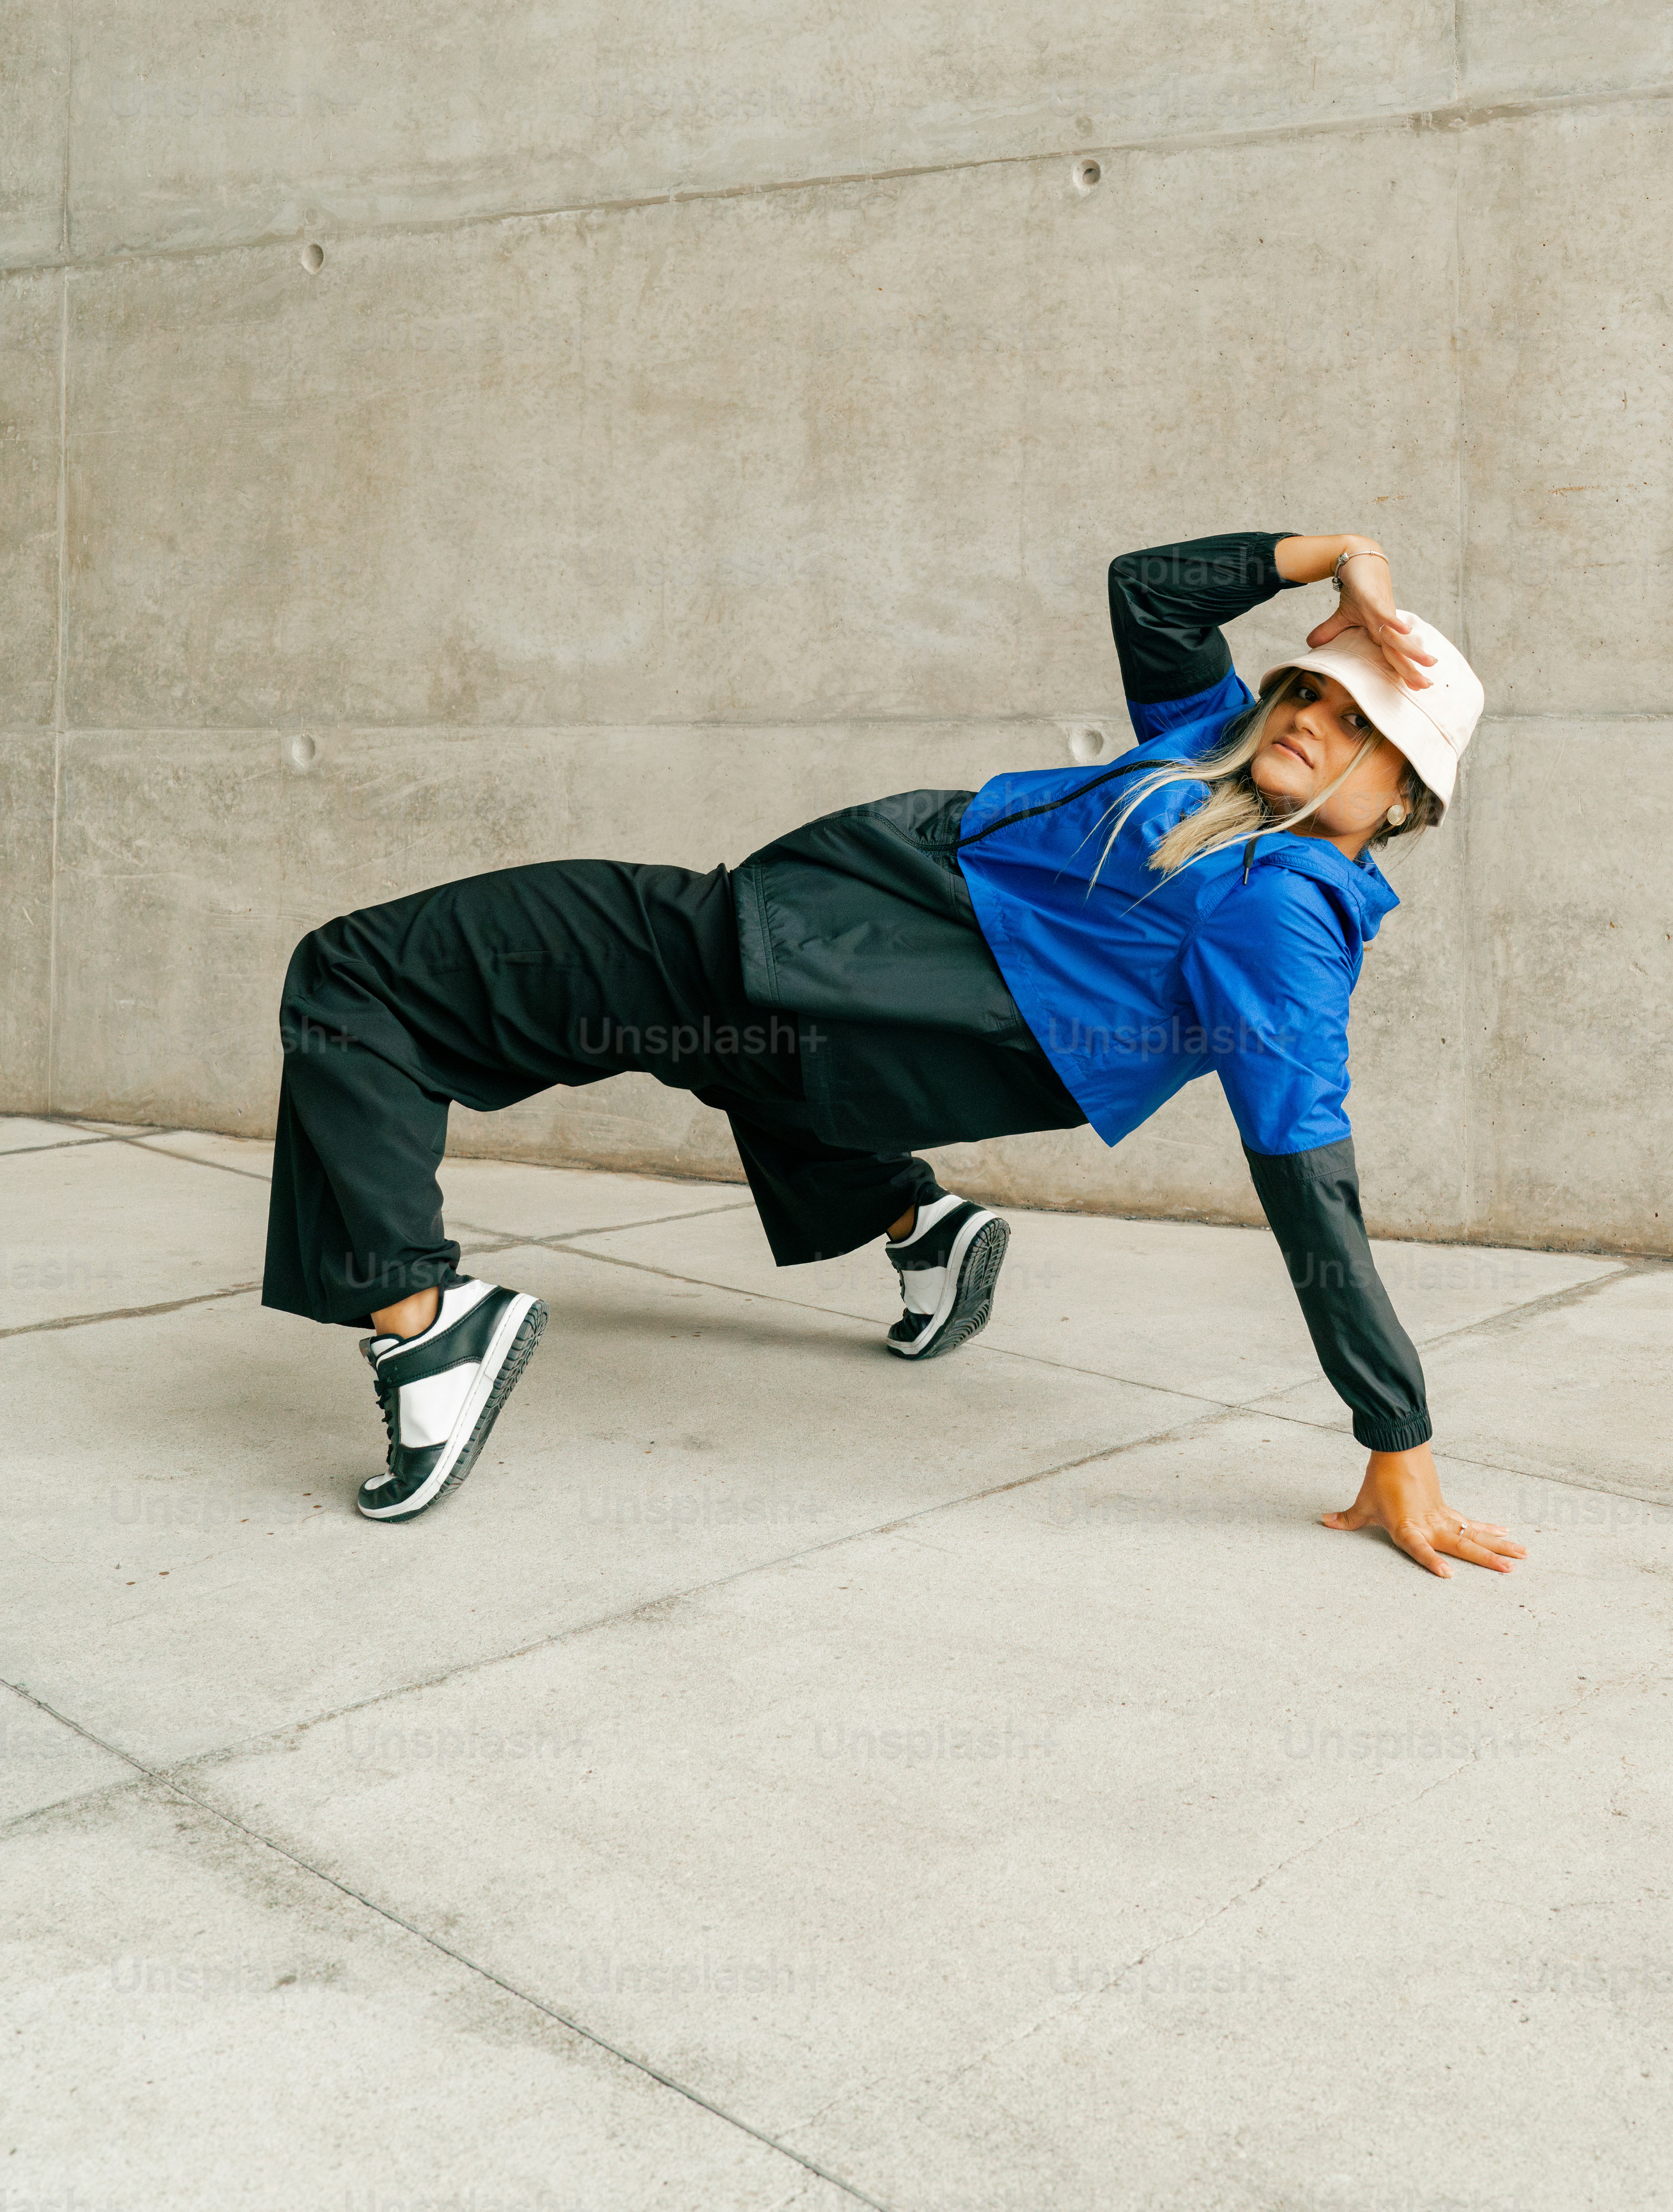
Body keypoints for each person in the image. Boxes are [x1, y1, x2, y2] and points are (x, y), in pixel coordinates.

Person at [263, 531, 1525, 1578]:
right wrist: (1335, 558)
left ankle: (426, 1336)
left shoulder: (1283, 911)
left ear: (1407, 798)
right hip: (827, 1004)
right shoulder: (1209, 759)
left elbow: (1313, 1183)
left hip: (796, 972)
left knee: (359, 974)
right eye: (1308, 687)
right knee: (728, 1062)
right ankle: (918, 1229)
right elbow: (1148, 591)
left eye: (1361, 723)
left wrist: (1395, 1432)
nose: (1309, 716)